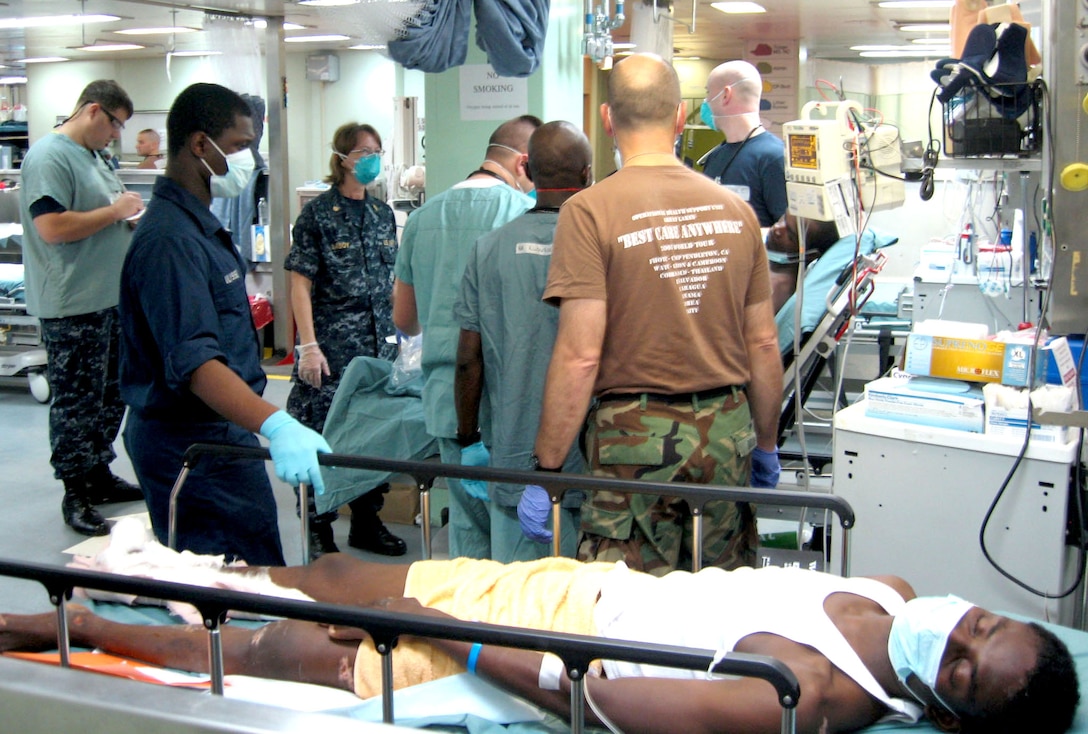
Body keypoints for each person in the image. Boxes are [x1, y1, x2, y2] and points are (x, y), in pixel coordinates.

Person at [0, 549, 1078, 734]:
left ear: (941, 708)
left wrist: (453, 636)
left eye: (959, 667)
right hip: (582, 584)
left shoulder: (796, 695)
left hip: (532, 644)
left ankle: (75, 624)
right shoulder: (885, 587)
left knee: (285, 649)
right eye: (979, 623)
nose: (955, 633)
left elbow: (593, 702)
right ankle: (161, 577)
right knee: (320, 576)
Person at [523, 53, 784, 576]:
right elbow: (761, 344)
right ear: (681, 119)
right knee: (718, 606)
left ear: (607, 119)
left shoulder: (589, 211)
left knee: (629, 620)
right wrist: (765, 443)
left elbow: (579, 355)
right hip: (724, 438)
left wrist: (546, 469)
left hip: (632, 446)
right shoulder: (736, 213)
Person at [118, 82, 331, 566]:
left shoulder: (201, 228)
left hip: (223, 432)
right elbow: (196, 362)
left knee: (256, 566)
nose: (248, 159)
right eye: (238, 146)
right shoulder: (170, 241)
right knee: (227, 592)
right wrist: (275, 423)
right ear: (199, 145)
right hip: (189, 444)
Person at [392, 115, 540, 558]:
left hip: (447, 403)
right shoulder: (524, 216)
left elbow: (404, 320)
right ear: (525, 164)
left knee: (468, 536)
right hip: (511, 404)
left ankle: (469, 628)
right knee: (517, 543)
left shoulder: (422, 218)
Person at [453, 121, 592, 562]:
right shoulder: (602, 248)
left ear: (528, 169)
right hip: (591, 455)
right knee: (581, 608)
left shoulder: (488, 249)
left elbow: (468, 360)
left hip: (513, 451)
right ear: (588, 175)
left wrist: (468, 438)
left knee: (512, 604)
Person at [19, 79, 146, 537]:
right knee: (76, 402)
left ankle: (98, 473)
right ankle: (75, 490)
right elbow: (52, 227)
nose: (116, 135)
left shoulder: (93, 156)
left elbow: (102, 213)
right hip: (72, 304)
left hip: (108, 299)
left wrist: (127, 217)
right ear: (93, 111)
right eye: (115, 125)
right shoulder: (49, 157)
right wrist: (114, 213)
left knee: (110, 395)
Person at [285, 121, 405, 559]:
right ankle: (318, 528)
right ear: (342, 158)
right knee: (324, 436)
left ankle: (367, 522)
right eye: (363, 151)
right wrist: (308, 346)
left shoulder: (381, 215)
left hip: (377, 351)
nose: (372, 158)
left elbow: (392, 281)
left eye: (377, 149)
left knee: (369, 438)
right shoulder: (317, 216)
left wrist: (403, 337)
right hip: (333, 351)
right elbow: (300, 284)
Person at [699, 60, 787, 228]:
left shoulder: (774, 157)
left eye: (708, 92)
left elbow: (790, 235)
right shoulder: (716, 156)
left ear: (725, 95)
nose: (707, 101)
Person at [765, 212, 842, 314]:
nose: (777, 228)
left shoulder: (778, 289)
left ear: (810, 255)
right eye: (783, 218)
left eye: (790, 236)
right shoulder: (771, 269)